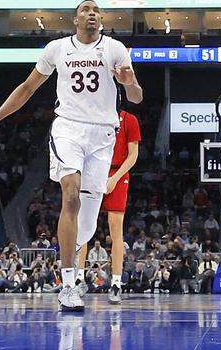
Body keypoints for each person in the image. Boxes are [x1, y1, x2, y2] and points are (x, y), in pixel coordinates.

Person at [0, 0, 143, 314]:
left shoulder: (116, 49)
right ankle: (68, 284)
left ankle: (74, 246)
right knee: (70, 195)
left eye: (96, 10)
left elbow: (136, 96)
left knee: (89, 226)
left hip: (103, 136)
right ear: (76, 19)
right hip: (67, 129)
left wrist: (129, 81)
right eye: (85, 9)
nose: (91, 13)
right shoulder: (57, 49)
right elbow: (26, 89)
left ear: (102, 19)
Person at [77, 106, 140, 305]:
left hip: (118, 174)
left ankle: (115, 284)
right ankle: (79, 279)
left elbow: (133, 155)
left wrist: (115, 178)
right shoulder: (91, 115)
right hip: (92, 172)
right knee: (83, 228)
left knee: (116, 232)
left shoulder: (129, 119)